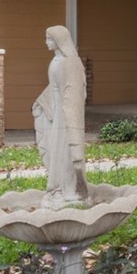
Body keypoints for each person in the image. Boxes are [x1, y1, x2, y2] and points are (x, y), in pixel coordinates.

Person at [33, 25, 90, 205]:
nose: (46, 42)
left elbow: (73, 92)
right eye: (47, 38)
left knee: (65, 152)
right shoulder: (56, 61)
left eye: (49, 39)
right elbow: (54, 88)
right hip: (57, 112)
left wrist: (68, 115)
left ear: (59, 41)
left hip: (65, 114)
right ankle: (56, 188)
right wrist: (43, 102)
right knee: (55, 148)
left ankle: (70, 189)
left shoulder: (70, 62)